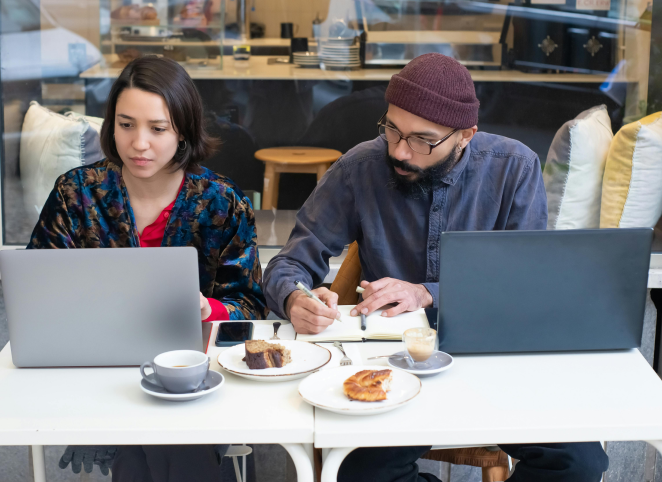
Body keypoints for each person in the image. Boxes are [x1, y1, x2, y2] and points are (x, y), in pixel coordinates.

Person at [262, 53, 609, 482]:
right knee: (359, 471)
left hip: (492, 361)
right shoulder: (361, 168)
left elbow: (524, 287)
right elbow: (289, 262)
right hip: (390, 366)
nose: (401, 151)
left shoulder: (514, 168)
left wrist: (428, 292)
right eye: (392, 129)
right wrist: (296, 296)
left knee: (579, 463)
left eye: (423, 140)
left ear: (465, 136)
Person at [28, 55, 268, 481]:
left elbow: (249, 305)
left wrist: (206, 308)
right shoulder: (76, 194)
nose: (139, 143)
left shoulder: (221, 201)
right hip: (96, 367)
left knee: (145, 453)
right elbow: (35, 291)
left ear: (184, 130)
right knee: (168, 444)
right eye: (125, 124)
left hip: (194, 373)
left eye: (157, 129)